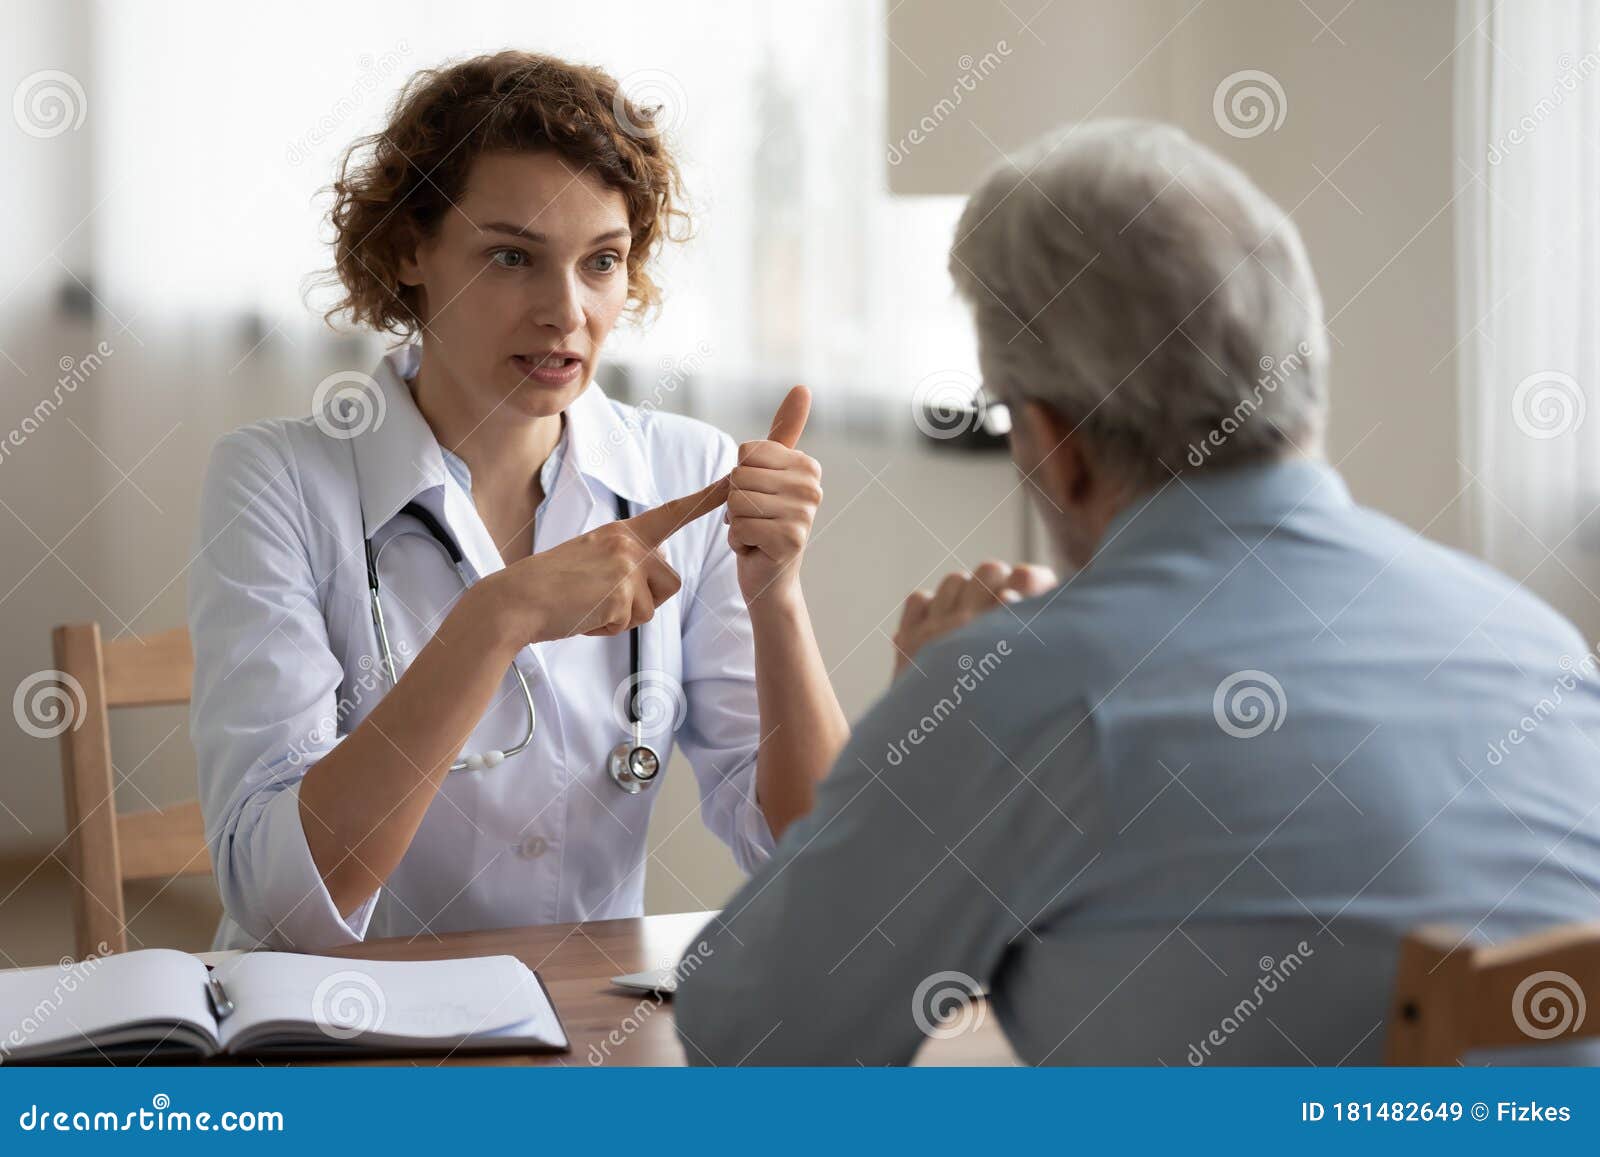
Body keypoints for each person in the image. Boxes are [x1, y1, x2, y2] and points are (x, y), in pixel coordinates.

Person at [673, 119, 1600, 1065]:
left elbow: (753, 1038)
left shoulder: (1029, 688)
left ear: (1055, 444)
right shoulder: (1538, 643)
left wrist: (939, 707)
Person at [187, 51, 847, 951]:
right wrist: (497, 615)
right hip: (341, 1036)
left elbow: (817, 856)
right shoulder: (279, 481)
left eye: (602, 261)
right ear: (410, 250)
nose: (566, 311)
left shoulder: (687, 474)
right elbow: (283, 901)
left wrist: (779, 598)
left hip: (579, 1035)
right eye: (511, 256)